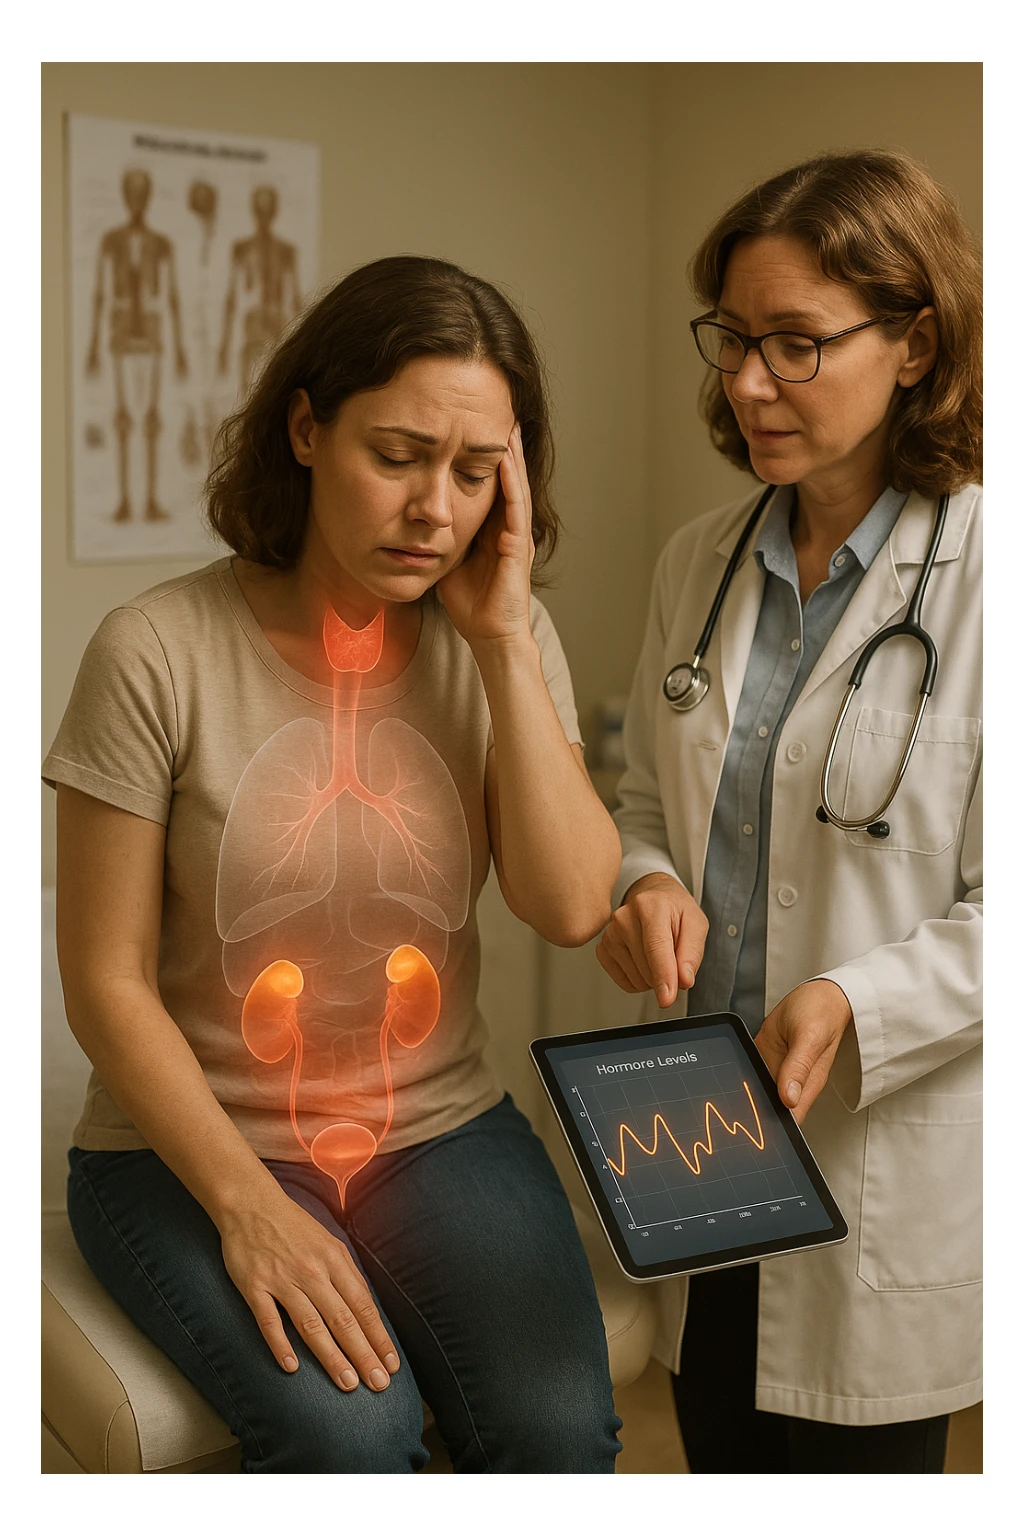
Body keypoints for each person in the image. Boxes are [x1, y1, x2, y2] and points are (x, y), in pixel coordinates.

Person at [45, 255, 624, 1474]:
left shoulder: (507, 639)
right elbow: (104, 980)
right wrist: (249, 1208)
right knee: (352, 1438)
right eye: (398, 456)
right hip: (188, 1148)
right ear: (306, 430)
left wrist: (503, 643)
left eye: (475, 471)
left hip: (437, 1128)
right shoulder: (155, 649)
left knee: (557, 1436)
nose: (434, 509)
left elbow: (571, 903)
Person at [596, 150, 981, 1474]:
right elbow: (646, 800)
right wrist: (644, 882)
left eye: (796, 344)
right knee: (717, 1440)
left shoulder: (990, 576)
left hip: (867, 1133)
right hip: (695, 1124)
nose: (748, 382)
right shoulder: (698, 562)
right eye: (733, 338)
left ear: (914, 343)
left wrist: (853, 1002)